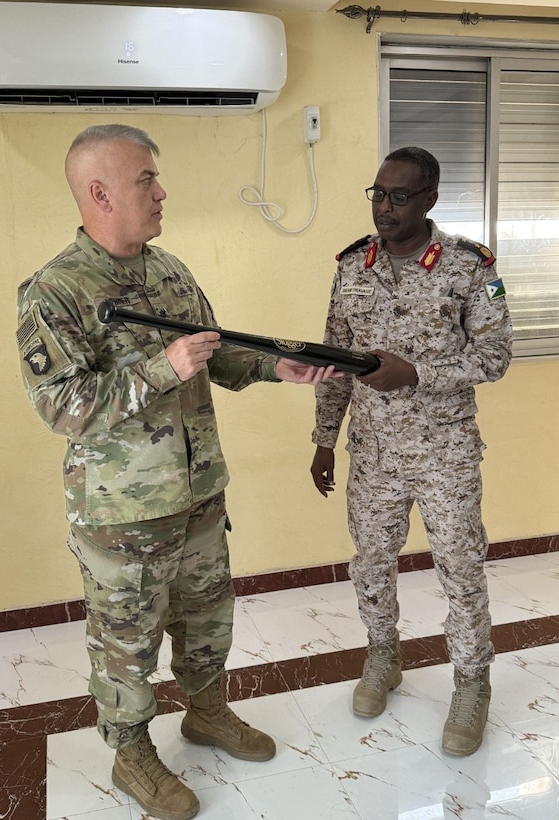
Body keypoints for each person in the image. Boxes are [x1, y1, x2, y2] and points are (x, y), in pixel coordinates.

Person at [17, 123, 336, 820]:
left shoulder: (170, 272)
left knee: (205, 619)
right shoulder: (56, 290)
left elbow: (214, 355)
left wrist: (273, 367)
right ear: (99, 193)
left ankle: (207, 713)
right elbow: (62, 407)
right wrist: (160, 369)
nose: (161, 193)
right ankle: (132, 753)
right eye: (146, 181)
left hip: (197, 496)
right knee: (125, 640)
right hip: (122, 515)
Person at [310, 146, 513, 757]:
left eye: (399, 196)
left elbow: (495, 357)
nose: (384, 207)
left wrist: (418, 373)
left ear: (429, 199)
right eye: (376, 193)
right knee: (371, 561)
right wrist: (324, 439)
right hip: (373, 454)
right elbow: (335, 362)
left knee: (460, 566)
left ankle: (472, 683)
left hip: (445, 452)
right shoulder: (352, 267)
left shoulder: (467, 267)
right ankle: (382, 656)